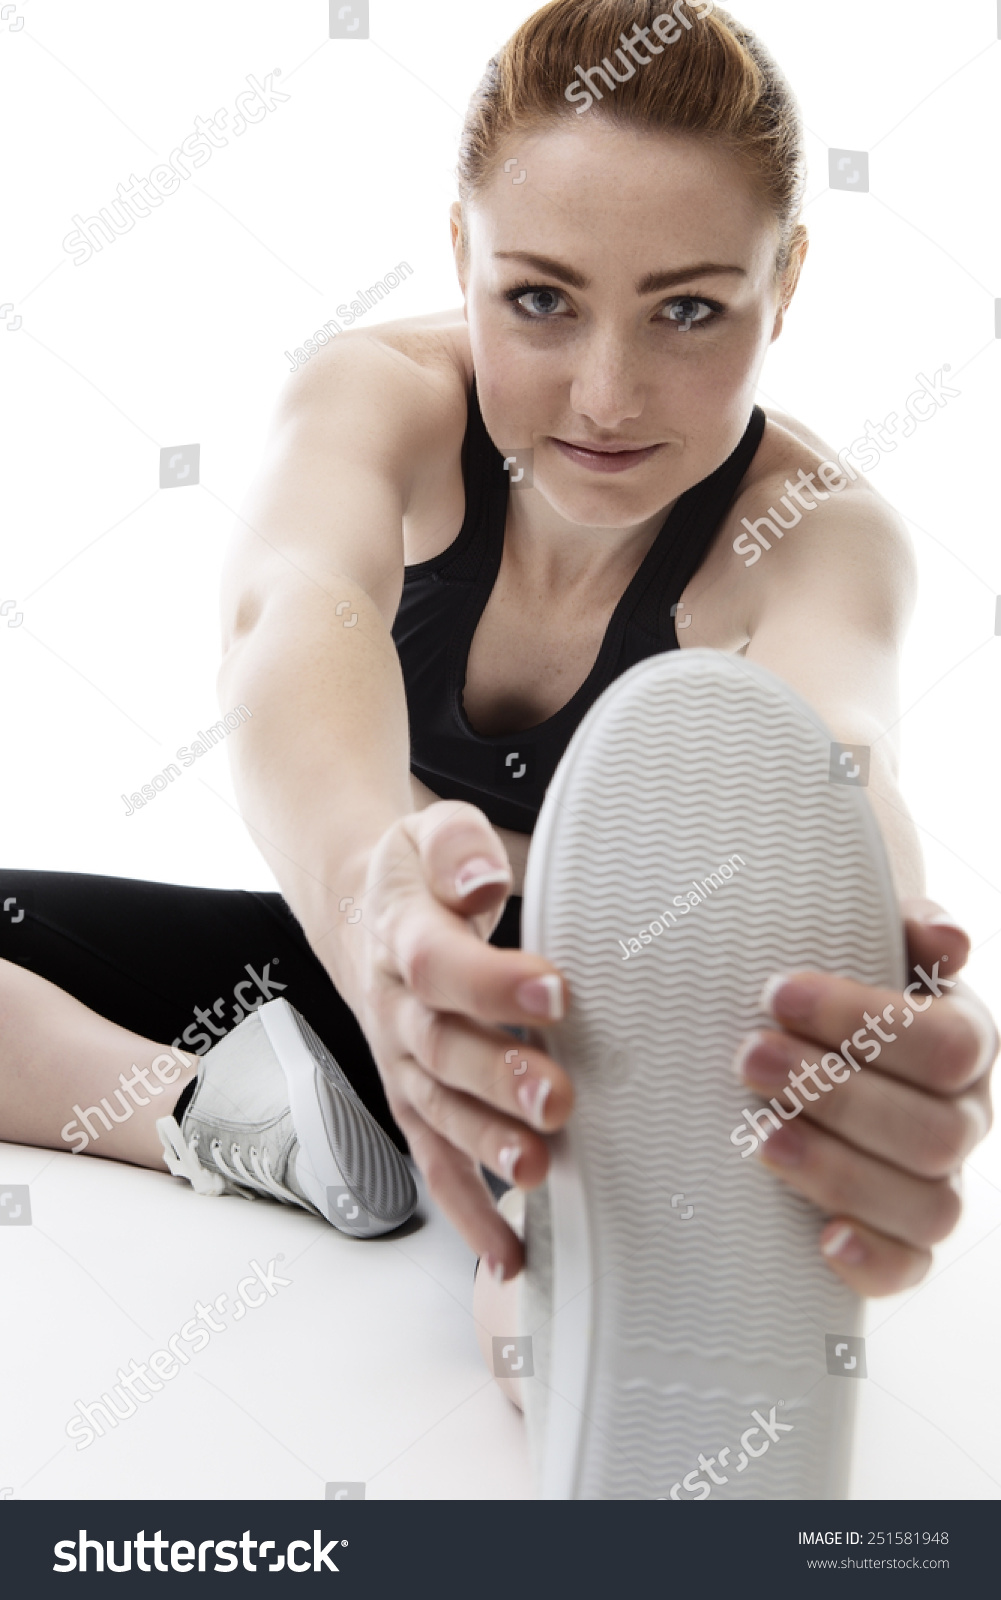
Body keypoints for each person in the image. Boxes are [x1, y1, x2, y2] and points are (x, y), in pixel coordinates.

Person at [1, 0, 995, 1434]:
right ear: (463, 257)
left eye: (689, 310)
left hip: (595, 1020)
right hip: (365, 961)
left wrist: (865, 988)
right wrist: (376, 916)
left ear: (785, 286)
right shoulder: (380, 397)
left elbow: (832, 765)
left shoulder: (816, 534)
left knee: (593, 1156)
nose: (605, 392)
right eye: (539, 299)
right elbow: (289, 616)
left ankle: (565, 1297)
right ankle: (238, 1120)